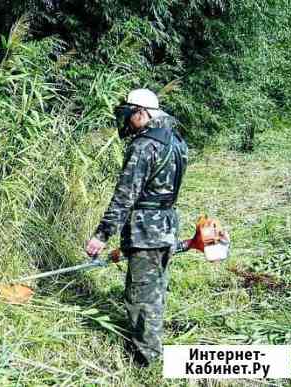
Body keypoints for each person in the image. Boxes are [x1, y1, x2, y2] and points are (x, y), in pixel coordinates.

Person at [85, 88, 189, 367]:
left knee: (142, 297)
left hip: (146, 231)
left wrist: (102, 234)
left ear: (142, 113)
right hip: (167, 226)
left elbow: (125, 194)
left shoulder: (145, 145)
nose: (128, 122)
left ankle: (146, 361)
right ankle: (152, 347)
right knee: (156, 290)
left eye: (130, 115)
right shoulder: (176, 141)